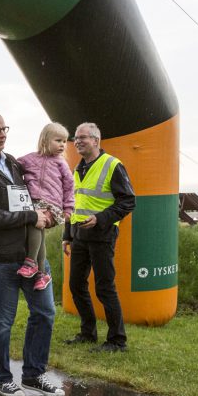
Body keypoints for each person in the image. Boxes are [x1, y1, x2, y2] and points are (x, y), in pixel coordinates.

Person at [0, 110, 65, 396]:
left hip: (32, 256)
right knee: (3, 322)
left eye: (4, 128)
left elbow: (30, 198)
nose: (2, 134)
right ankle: (2, 378)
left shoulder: (12, 162)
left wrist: (46, 214)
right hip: (2, 259)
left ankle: (33, 375)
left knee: (45, 313)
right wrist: (31, 217)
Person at [62, 122, 136, 352]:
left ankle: (117, 341)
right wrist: (67, 235)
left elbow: (128, 201)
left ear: (96, 140)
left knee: (104, 288)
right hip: (79, 236)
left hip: (102, 235)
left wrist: (101, 219)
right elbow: (73, 204)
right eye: (76, 138)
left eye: (83, 137)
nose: (78, 141)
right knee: (76, 285)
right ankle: (88, 333)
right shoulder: (78, 168)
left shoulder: (112, 165)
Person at [17, 122, 75, 291]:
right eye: (58, 140)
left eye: (64, 141)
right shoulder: (30, 159)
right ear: (45, 141)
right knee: (38, 231)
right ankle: (42, 274)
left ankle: (30, 262)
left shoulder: (61, 163)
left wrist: (68, 209)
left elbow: (69, 186)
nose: (62, 145)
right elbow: (14, 164)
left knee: (36, 223)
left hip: (53, 206)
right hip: (34, 203)